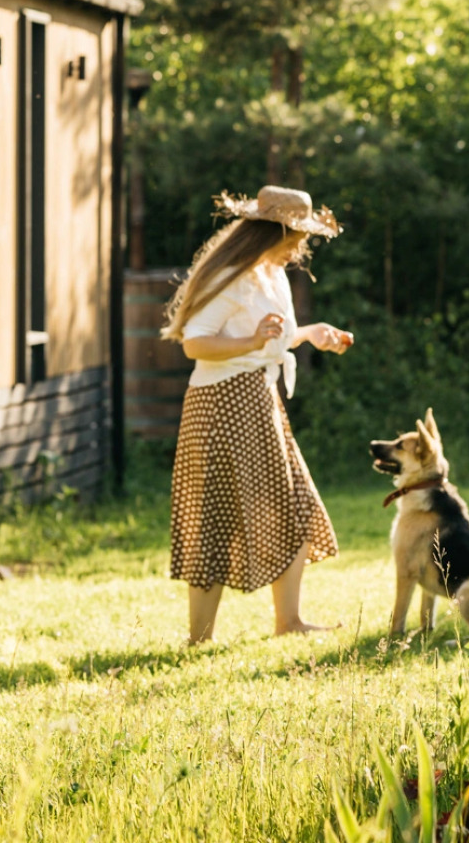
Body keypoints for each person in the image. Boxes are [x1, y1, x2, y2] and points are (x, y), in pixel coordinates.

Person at [160, 185, 354, 644]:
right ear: (275, 231)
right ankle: (199, 639)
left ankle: (289, 621)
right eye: (297, 237)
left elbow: (271, 336)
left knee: (296, 504)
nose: (300, 247)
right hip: (220, 404)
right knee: (214, 515)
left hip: (260, 398)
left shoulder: (272, 275)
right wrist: (251, 343)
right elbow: (194, 342)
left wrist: (309, 335)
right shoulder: (233, 275)